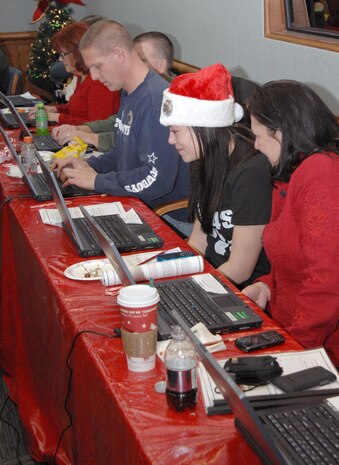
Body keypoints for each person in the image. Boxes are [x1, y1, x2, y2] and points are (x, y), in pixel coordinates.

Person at [52, 20, 189, 224]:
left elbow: (156, 179)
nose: (95, 76)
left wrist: (97, 180)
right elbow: (123, 152)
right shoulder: (130, 92)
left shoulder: (154, 102)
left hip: (164, 215)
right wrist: (87, 165)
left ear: (119, 54)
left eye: (97, 66)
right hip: (137, 201)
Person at [242, 80, 339, 366]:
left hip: (319, 346)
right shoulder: (292, 173)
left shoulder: (321, 175)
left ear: (283, 133)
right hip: (286, 328)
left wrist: (292, 355)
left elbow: (326, 282)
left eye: (259, 136)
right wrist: (267, 286)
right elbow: (291, 256)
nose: (256, 145)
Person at [160, 63, 273, 288]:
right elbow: (199, 241)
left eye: (175, 132)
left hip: (239, 290)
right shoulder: (203, 158)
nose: (170, 141)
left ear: (203, 128)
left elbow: (240, 269)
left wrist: (192, 291)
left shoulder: (252, 172)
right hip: (210, 275)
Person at [52, 30, 175, 151]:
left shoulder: (164, 101)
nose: (131, 65)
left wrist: (91, 137)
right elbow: (119, 121)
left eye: (140, 60)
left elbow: (132, 143)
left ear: (161, 65)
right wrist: (86, 129)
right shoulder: (134, 90)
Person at [28, 22, 120, 125]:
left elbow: (96, 127)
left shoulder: (98, 82)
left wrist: (57, 117)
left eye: (63, 54)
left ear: (77, 54)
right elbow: (76, 109)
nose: (60, 59)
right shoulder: (81, 76)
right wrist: (54, 109)